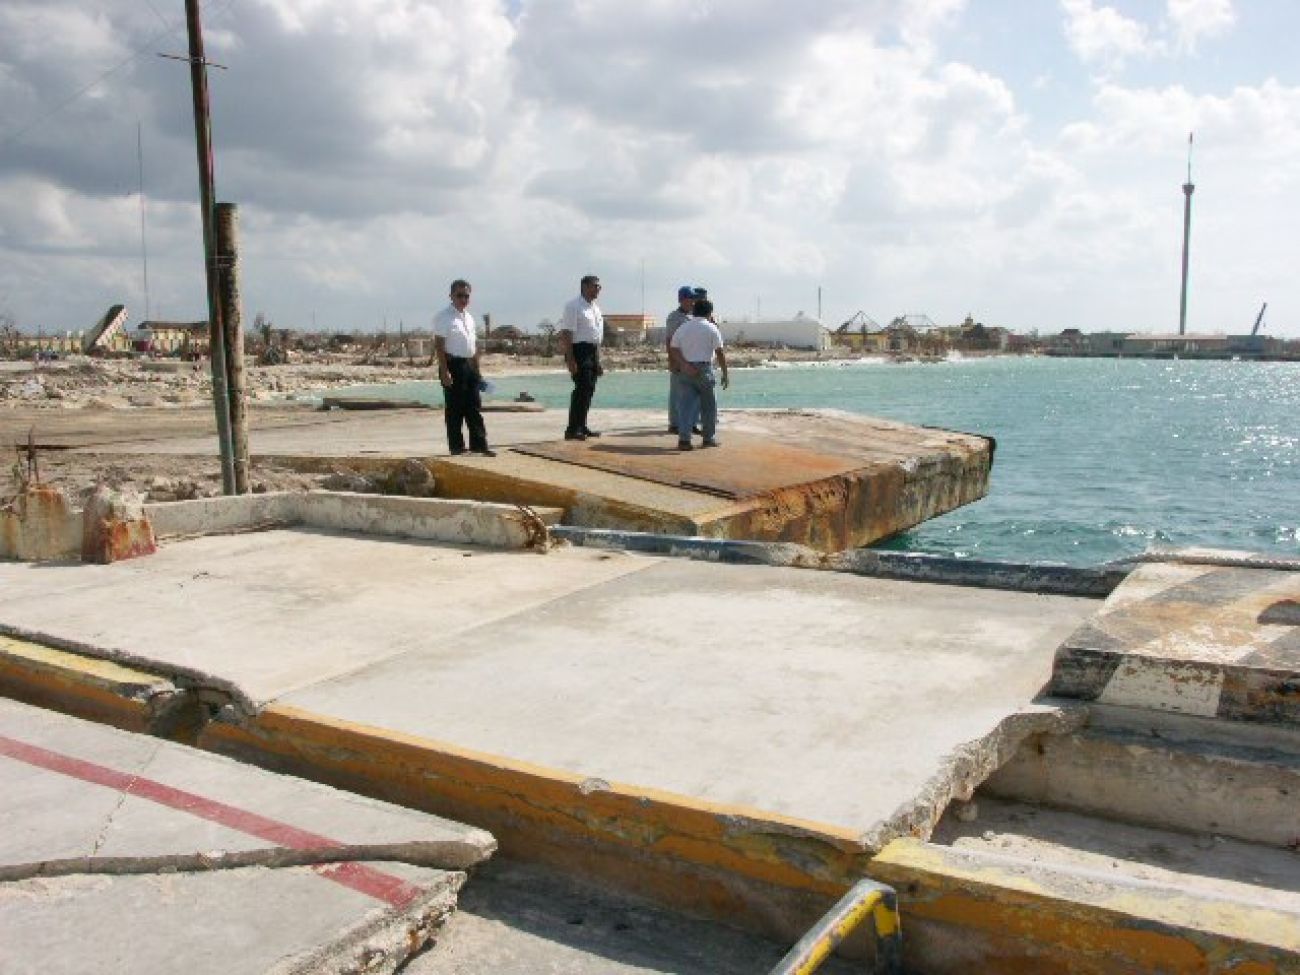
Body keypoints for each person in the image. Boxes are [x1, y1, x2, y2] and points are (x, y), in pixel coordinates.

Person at [432, 279, 494, 457]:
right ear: (451, 296)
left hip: (469, 366)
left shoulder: (469, 318)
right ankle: (457, 447)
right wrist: (445, 371)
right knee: (455, 409)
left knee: (474, 406)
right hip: (453, 364)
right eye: (459, 295)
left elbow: (473, 346)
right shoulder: (443, 317)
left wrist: (478, 373)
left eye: (466, 295)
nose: (463, 299)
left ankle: (479, 445)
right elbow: (439, 345)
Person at [669, 298, 729, 450]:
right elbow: (719, 352)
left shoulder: (683, 328)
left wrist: (683, 364)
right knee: (708, 407)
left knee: (685, 407)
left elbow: (673, 348)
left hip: (686, 371)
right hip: (704, 369)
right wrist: (725, 373)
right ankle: (708, 438)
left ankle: (684, 440)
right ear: (709, 312)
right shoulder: (711, 328)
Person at [559, 274, 604, 441]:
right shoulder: (573, 306)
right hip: (579, 350)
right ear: (585, 286)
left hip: (592, 351)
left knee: (589, 390)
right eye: (595, 286)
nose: (598, 289)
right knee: (581, 389)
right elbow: (566, 333)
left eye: (599, 287)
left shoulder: (596, 308)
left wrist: (598, 360)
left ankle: (582, 425)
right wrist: (570, 359)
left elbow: (596, 336)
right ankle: (572, 429)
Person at [664, 285, 695, 434]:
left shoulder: (693, 317)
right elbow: (669, 339)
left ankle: (691, 423)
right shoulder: (673, 317)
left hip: (692, 360)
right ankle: (674, 423)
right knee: (676, 392)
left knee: (692, 393)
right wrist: (672, 361)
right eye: (690, 299)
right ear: (682, 300)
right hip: (678, 358)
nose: (693, 302)